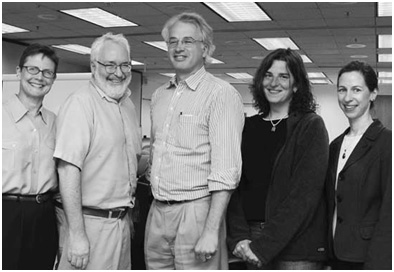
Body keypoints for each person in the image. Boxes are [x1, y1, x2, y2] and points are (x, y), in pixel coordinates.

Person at [144, 12, 244, 270]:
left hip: (197, 212)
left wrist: (211, 230)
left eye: (188, 41)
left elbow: (226, 170)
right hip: (157, 210)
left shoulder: (220, 94)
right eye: (172, 41)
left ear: (205, 49)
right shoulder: (158, 96)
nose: (178, 47)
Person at [227, 48, 329, 269]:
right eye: (268, 75)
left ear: (296, 85)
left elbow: (303, 197)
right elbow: (233, 185)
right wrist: (238, 237)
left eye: (284, 76)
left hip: (295, 246)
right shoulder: (247, 127)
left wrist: (263, 246)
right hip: (248, 241)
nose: (274, 83)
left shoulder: (310, 126)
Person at [54, 32, 142, 270]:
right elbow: (68, 171)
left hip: (121, 225)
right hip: (89, 226)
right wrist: (78, 235)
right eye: (110, 64)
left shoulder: (127, 105)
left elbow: (128, 163)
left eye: (125, 64)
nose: (119, 72)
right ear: (94, 66)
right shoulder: (80, 104)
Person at [326, 61, 392, 269]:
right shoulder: (335, 145)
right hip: (335, 255)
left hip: (368, 258)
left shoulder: (386, 143)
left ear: (373, 94)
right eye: (342, 90)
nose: (347, 98)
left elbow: (389, 215)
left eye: (356, 90)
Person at [2, 44, 59, 269]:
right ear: (18, 72)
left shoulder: (56, 122)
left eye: (47, 72)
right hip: (6, 213)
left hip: (45, 213)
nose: (39, 77)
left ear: (53, 79)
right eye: (32, 69)